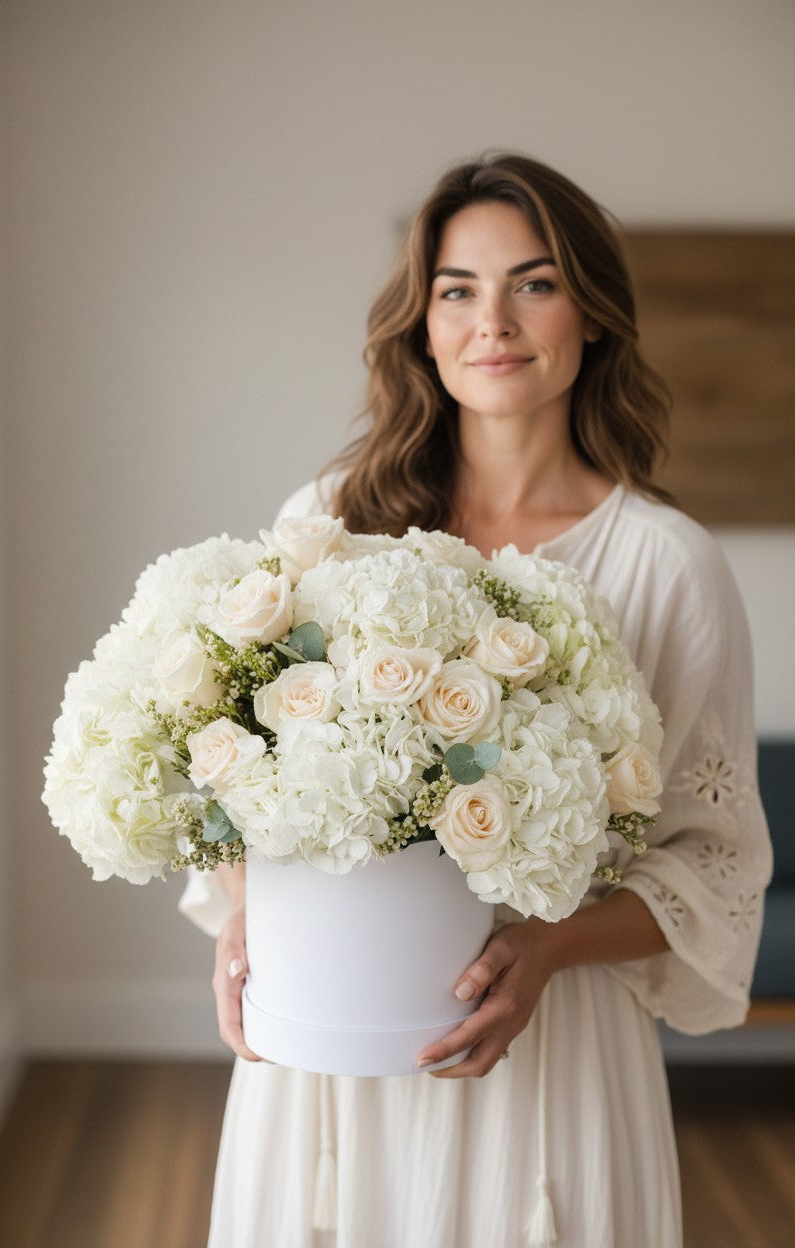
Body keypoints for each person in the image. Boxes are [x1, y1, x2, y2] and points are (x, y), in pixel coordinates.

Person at [179, 152, 772, 1247]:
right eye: (458, 288)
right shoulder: (326, 521)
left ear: (590, 316)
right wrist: (242, 915)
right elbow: (230, 762)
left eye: (533, 283)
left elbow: (714, 860)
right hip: (325, 1037)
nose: (492, 320)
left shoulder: (666, 565)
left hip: (548, 1052)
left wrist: (545, 949)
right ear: (422, 321)